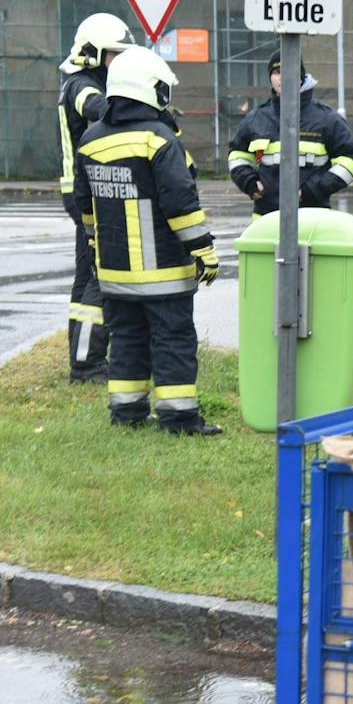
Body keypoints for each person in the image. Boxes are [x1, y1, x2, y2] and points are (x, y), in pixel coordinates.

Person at [73, 46, 223, 436]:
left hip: (115, 272)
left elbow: (84, 205)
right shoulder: (158, 139)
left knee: (126, 341)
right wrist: (203, 249)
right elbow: (179, 201)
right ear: (149, 89)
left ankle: (127, 413)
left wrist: (94, 247)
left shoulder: (90, 140)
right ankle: (179, 418)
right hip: (164, 272)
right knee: (172, 341)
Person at [57, 13, 136, 383]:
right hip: (87, 192)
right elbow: (100, 109)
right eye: (113, 55)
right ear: (92, 53)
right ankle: (87, 365)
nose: (117, 62)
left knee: (84, 277)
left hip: (80, 191)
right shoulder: (81, 86)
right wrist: (142, 108)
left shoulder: (83, 81)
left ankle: (81, 355)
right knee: (97, 275)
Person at [227, 53, 353, 215]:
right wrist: (248, 181)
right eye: (276, 72)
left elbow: (352, 160)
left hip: (313, 217)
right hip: (265, 218)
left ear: (301, 77)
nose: (282, 77)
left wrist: (315, 190)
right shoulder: (256, 118)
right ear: (270, 78)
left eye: (288, 70)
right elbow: (237, 155)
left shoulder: (327, 119)